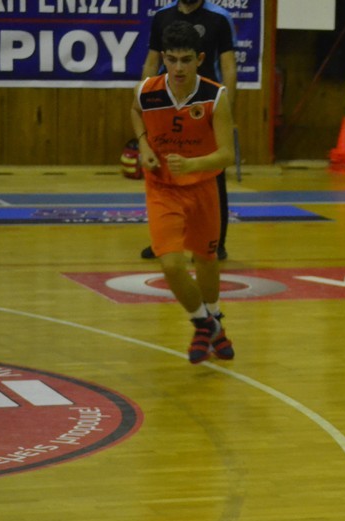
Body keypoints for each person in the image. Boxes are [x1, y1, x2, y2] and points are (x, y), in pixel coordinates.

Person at [131, 21, 236, 365]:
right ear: (163, 57)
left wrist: (193, 165)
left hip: (203, 188)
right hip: (162, 189)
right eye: (172, 59)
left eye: (186, 60)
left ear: (199, 59)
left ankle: (213, 320)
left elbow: (227, 155)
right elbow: (135, 112)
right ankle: (205, 323)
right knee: (171, 264)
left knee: (206, 259)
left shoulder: (215, 96)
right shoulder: (146, 91)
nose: (178, 68)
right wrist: (144, 145)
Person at [139, 0, 237, 262]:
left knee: (213, 173)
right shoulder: (162, 16)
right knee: (162, 172)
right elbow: (151, 62)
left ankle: (215, 243)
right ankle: (163, 240)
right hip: (169, 103)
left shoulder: (219, 17)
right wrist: (147, 102)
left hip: (205, 104)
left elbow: (228, 66)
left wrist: (227, 110)